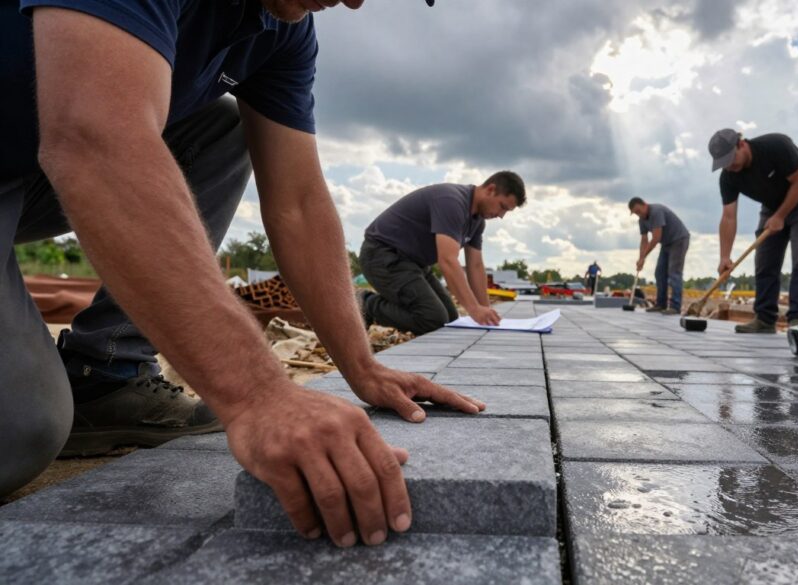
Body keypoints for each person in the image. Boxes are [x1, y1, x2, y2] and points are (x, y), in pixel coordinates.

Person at [0, 0, 486, 549]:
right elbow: (95, 137)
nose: (354, 2)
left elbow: (298, 203)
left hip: (29, 164)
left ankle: (106, 375)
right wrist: (257, 396)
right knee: (19, 434)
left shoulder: (284, 30)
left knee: (221, 130)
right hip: (64, 140)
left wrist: (361, 367)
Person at [358, 173, 525, 335]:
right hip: (382, 255)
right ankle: (366, 304)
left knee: (450, 318)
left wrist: (485, 311)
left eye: (507, 212)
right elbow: (447, 260)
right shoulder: (452, 202)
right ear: (490, 189)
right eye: (502, 206)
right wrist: (473, 309)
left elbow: (475, 265)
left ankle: (382, 306)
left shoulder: (477, 222)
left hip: (414, 264)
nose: (501, 215)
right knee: (433, 318)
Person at [708, 128, 798, 334]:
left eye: (731, 158)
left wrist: (781, 216)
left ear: (741, 144)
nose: (730, 166)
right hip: (772, 205)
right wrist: (724, 256)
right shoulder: (728, 177)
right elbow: (728, 216)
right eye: (724, 163)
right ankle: (764, 318)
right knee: (764, 262)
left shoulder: (775, 146)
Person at [628, 197, 690, 314]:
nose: (638, 214)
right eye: (635, 213)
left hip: (679, 240)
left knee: (674, 273)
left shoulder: (656, 212)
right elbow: (644, 240)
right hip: (666, 243)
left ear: (645, 205)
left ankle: (675, 306)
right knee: (659, 273)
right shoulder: (642, 220)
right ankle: (661, 304)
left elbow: (656, 238)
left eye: (639, 211)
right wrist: (641, 258)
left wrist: (643, 257)